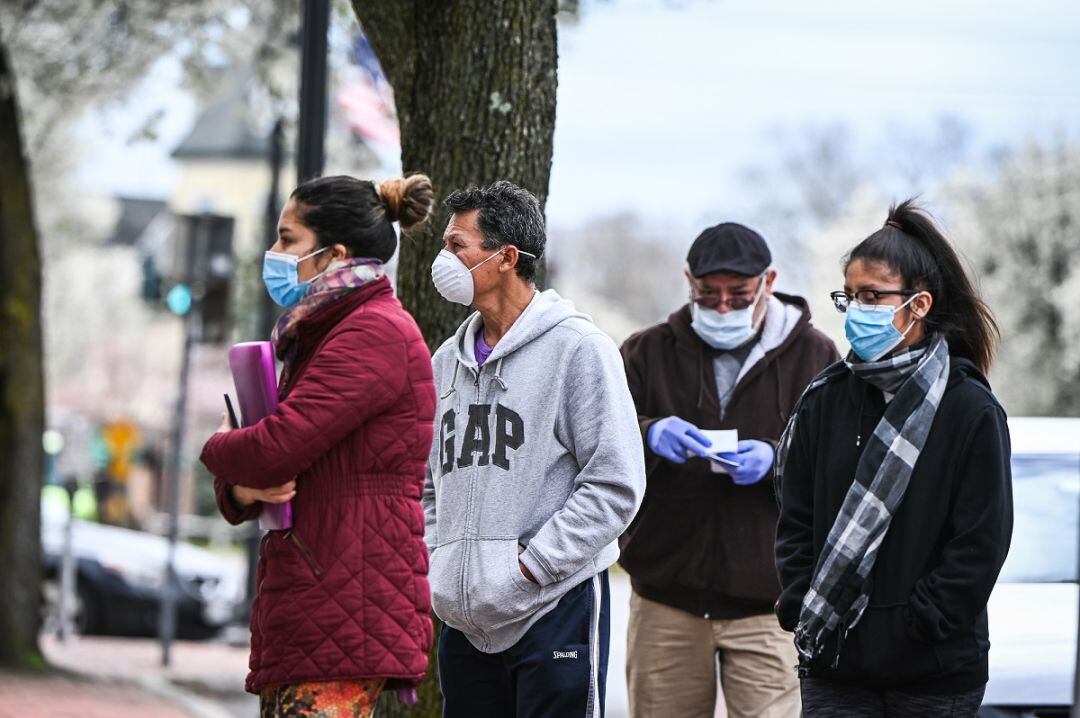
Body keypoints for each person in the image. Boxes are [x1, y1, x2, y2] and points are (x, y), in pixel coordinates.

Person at [200, 174, 438, 718]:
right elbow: (277, 464)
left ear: (336, 253)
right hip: (323, 595)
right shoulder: (324, 331)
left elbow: (277, 447)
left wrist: (218, 446)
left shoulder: (370, 332)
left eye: (288, 240)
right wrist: (239, 487)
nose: (274, 254)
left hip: (342, 601)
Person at [774, 199, 1013, 717]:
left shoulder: (968, 407)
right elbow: (795, 517)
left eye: (873, 296)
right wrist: (799, 598)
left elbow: (980, 541)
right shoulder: (826, 398)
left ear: (919, 304)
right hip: (835, 665)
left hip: (933, 673)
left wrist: (918, 624)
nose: (857, 310)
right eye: (850, 296)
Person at [423, 180, 645, 718]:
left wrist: (532, 567)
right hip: (464, 622)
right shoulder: (444, 363)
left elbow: (615, 484)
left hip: (553, 608)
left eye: (458, 246)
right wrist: (439, 557)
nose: (442, 258)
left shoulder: (579, 350)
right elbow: (429, 483)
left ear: (506, 257)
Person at [619, 222, 838, 718]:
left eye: (738, 296)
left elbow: (841, 460)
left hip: (772, 604)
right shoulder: (645, 351)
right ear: (688, 281)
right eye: (707, 294)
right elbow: (597, 438)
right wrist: (649, 432)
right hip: (664, 598)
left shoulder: (816, 355)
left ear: (769, 282)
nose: (721, 308)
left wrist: (777, 461)